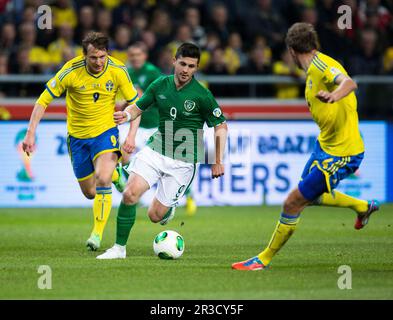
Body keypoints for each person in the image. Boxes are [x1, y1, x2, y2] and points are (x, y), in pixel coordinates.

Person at [232, 22, 379, 271]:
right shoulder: (311, 71)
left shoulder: (322, 66)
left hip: (343, 152)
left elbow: (349, 83)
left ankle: (263, 259)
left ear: (291, 50)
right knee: (310, 197)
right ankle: (364, 207)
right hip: (324, 146)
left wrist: (335, 95)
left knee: (292, 202)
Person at [97, 42, 228, 260]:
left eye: (192, 66)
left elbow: (221, 125)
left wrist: (217, 160)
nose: (186, 70)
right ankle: (119, 249)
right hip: (157, 149)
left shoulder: (202, 95)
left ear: (196, 68)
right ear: (174, 61)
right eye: (183, 64)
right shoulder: (160, 84)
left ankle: (168, 207)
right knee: (130, 194)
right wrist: (126, 116)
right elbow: (138, 106)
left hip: (184, 161)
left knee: (154, 215)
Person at [22, 32, 139, 251]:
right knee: (90, 192)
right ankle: (118, 174)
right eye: (93, 58)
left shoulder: (118, 70)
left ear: (107, 54)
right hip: (77, 138)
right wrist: (30, 133)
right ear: (84, 55)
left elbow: (136, 105)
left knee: (102, 178)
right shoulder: (70, 71)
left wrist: (131, 135)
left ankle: (96, 234)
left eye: (102, 57)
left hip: (106, 133)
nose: (98, 62)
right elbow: (42, 101)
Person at [119, 41, 198, 215]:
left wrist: (135, 99)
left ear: (145, 56)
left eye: (138, 55)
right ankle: (132, 190)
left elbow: (152, 97)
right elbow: (129, 100)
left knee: (173, 165)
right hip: (138, 124)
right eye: (132, 55)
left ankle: (189, 195)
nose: (135, 58)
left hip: (156, 125)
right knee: (123, 153)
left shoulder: (152, 73)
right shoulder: (127, 72)